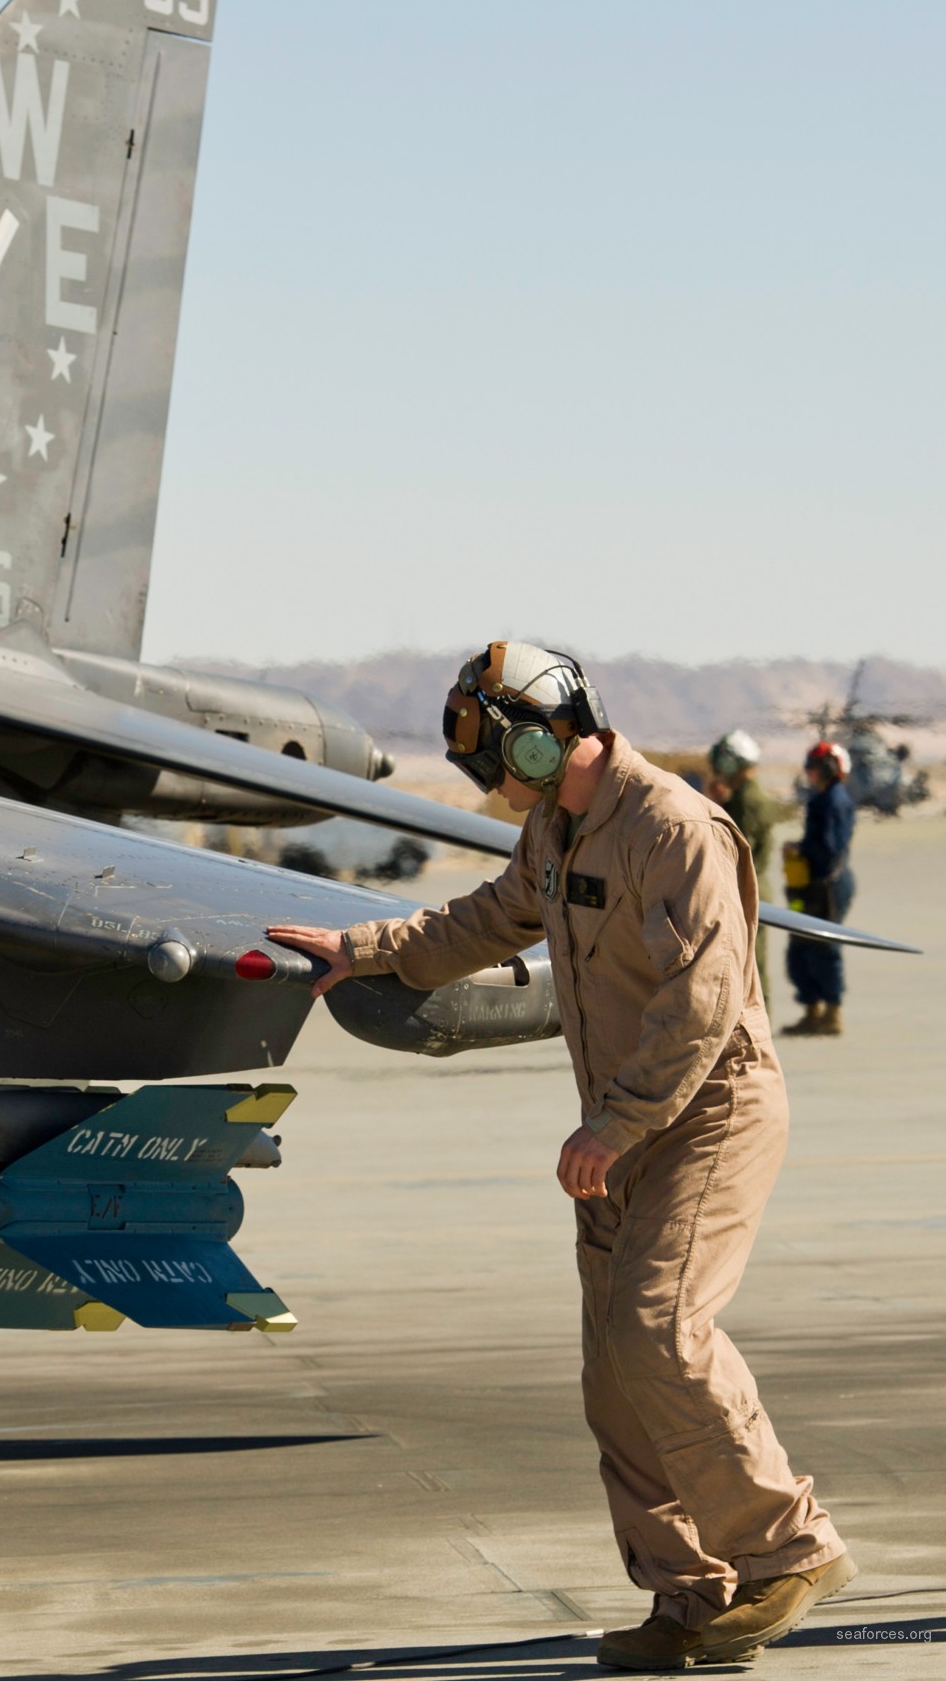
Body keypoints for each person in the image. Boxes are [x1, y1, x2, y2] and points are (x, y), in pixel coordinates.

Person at [266, 642, 853, 1669]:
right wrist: (358, 949)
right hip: (624, 1120)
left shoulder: (673, 828)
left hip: (705, 1109)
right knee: (613, 1376)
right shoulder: (555, 829)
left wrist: (615, 1124)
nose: (485, 778)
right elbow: (489, 921)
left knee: (657, 1330)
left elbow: (705, 1000)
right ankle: (690, 1600)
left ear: (541, 735)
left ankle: (786, 1548)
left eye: (490, 753)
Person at [783, 742, 856, 1037]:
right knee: (801, 947)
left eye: (815, 767)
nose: (810, 773)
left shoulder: (833, 801)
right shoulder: (823, 799)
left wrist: (800, 849)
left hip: (827, 888)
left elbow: (828, 849)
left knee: (824, 948)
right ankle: (812, 1011)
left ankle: (832, 1013)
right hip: (809, 889)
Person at [705, 730, 777, 1008]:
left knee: (752, 964)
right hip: (749, 886)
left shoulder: (746, 801)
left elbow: (734, 849)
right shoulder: (745, 796)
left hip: (747, 888)